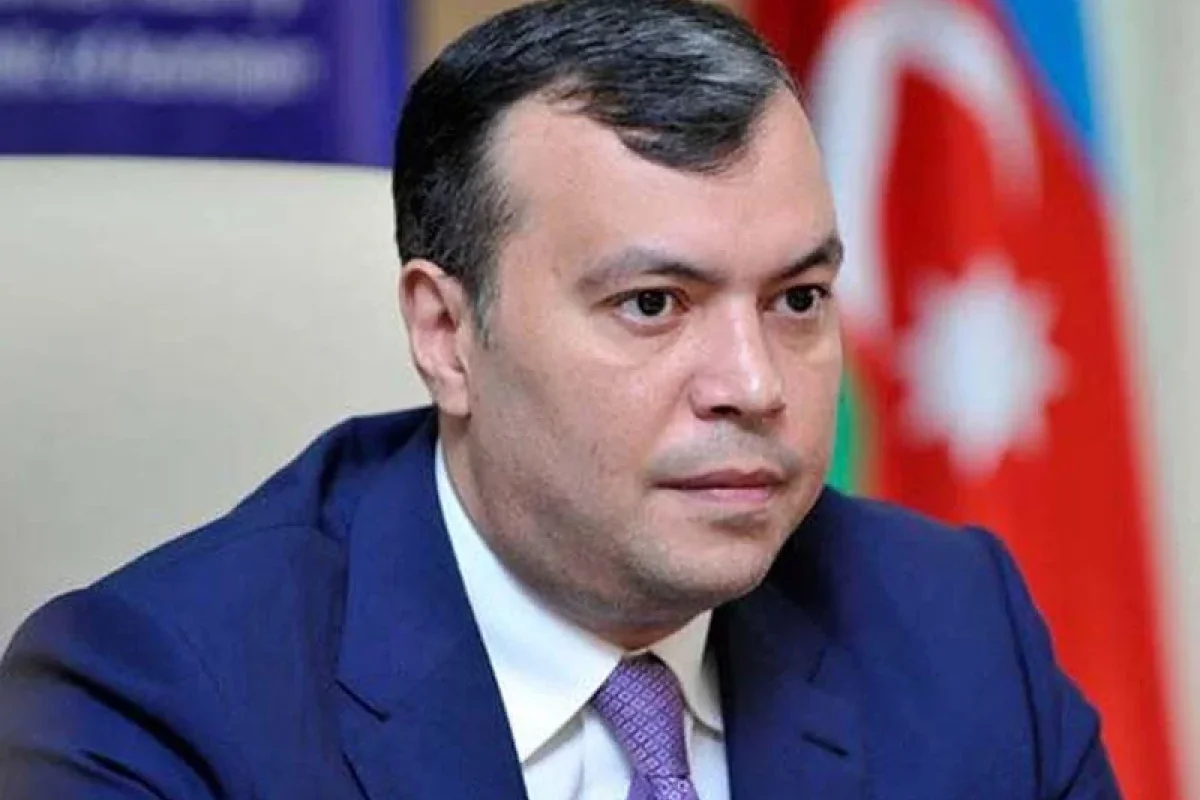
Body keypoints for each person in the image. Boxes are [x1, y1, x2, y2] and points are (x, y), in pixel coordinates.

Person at [0, 1, 1120, 798]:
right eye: (653, 304)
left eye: (797, 298)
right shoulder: (154, 701)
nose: (754, 384)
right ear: (446, 335)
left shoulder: (954, 626)